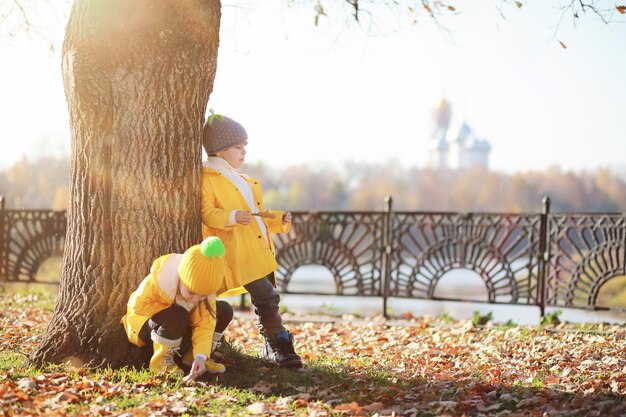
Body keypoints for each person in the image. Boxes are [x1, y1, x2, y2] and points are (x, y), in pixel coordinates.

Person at [199, 111, 302, 369]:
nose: (244, 152)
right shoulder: (209, 179)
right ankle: (280, 344)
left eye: (245, 146)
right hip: (237, 251)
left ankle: (272, 342)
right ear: (220, 150)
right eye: (238, 147)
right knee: (267, 297)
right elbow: (206, 213)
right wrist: (232, 216)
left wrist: (278, 219)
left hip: (257, 250)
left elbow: (254, 215)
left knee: (266, 298)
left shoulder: (243, 180)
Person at [121, 236, 234, 379]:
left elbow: (205, 326)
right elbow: (138, 308)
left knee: (224, 309)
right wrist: (173, 312)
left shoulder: (204, 297)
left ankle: (195, 359)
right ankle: (161, 362)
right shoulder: (159, 283)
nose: (196, 299)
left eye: (203, 295)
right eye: (192, 292)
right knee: (177, 314)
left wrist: (200, 355)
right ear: (181, 277)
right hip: (146, 324)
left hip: (180, 328)